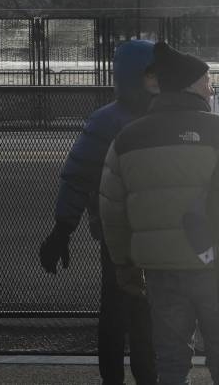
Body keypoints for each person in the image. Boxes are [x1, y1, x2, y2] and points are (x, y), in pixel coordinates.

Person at [100, 42, 219, 385]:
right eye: (207, 81)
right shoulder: (214, 131)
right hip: (212, 263)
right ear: (192, 85)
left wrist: (124, 263)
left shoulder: (129, 137)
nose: (210, 88)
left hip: (160, 267)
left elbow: (112, 208)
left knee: (169, 356)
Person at [40, 40, 157, 385]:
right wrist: (62, 228)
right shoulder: (148, 117)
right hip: (142, 232)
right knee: (135, 314)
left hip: (124, 231)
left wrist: (64, 228)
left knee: (126, 315)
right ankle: (140, 377)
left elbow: (78, 176)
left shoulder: (108, 119)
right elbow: (78, 176)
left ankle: (126, 378)